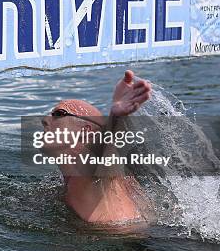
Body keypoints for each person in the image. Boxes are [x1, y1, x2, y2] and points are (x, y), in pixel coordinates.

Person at [41, 70, 152, 224]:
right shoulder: (74, 176)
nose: (45, 120)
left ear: (85, 131)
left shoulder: (86, 170)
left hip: (122, 244)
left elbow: (105, 155)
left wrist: (117, 117)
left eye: (58, 114)